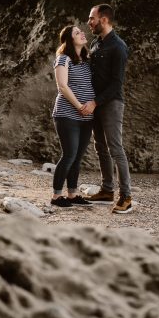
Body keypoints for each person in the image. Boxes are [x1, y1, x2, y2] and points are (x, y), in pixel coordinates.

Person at [83, 3, 133, 213]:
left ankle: (126, 197)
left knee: (115, 148)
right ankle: (107, 190)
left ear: (103, 19)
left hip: (111, 103)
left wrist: (95, 102)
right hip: (95, 102)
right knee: (100, 147)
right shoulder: (97, 43)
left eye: (92, 18)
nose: (89, 22)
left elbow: (116, 83)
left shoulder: (118, 47)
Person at [50, 24, 95, 207]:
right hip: (67, 113)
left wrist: (90, 107)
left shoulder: (86, 61)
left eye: (81, 31)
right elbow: (62, 86)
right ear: (69, 39)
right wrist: (79, 106)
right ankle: (56, 197)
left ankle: (72, 194)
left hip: (87, 116)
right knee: (69, 155)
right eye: (77, 33)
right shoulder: (63, 59)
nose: (82, 33)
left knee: (77, 157)